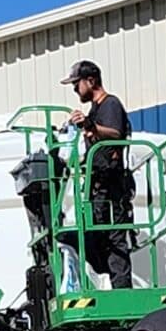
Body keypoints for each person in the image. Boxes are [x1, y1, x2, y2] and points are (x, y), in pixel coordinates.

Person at [64, 59, 135, 288]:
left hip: (112, 183)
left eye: (77, 84)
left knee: (114, 238)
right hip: (99, 185)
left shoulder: (110, 104)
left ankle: (122, 290)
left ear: (91, 81)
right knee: (96, 235)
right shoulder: (95, 110)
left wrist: (89, 126)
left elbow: (115, 133)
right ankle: (104, 278)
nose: (75, 89)